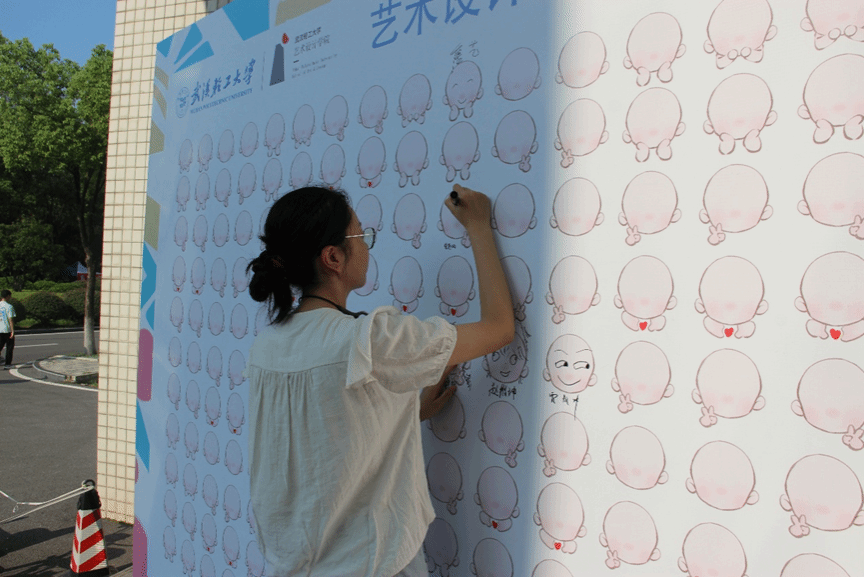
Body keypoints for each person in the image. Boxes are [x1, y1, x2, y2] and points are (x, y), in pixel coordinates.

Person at [245, 184, 514, 577]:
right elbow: (499, 328)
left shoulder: (268, 345)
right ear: (333, 257)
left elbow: (323, 438)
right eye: (361, 235)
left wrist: (407, 412)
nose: (367, 246)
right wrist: (477, 225)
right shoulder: (371, 340)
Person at [0, 289, 15, 369]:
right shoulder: (9, 306)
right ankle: (7, 364)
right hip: (7, 329)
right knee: (9, 347)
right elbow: (10, 320)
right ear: (8, 296)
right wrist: (12, 331)